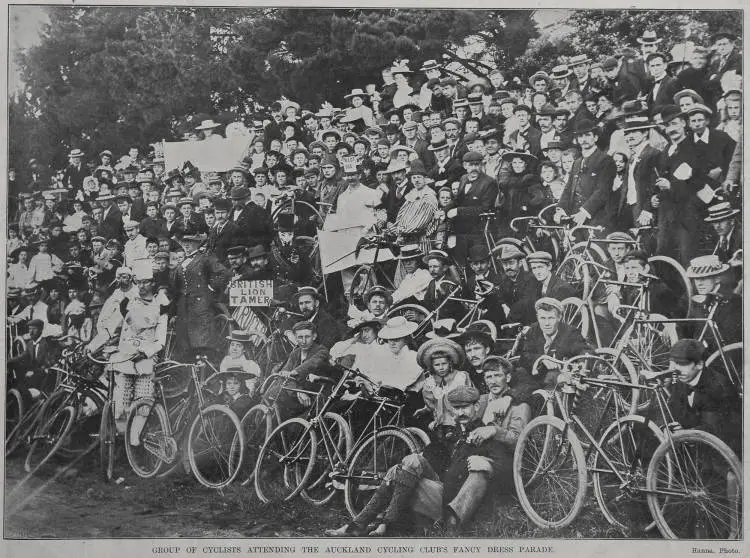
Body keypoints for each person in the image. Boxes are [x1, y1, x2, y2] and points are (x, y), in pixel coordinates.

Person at [325, 383, 528, 536]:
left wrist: (488, 465)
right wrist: (416, 461)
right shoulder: (452, 433)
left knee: (408, 466)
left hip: (461, 505)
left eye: (466, 407)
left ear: (477, 407)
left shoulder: (484, 433)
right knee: (406, 464)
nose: (461, 413)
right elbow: (433, 457)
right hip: (442, 493)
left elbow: (508, 471)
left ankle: (372, 525)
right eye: (456, 408)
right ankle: (364, 524)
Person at [87, 263, 167, 440]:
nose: (143, 286)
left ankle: (134, 442)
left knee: (143, 405)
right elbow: (108, 329)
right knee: (119, 406)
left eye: (147, 282)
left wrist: (146, 352)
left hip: (145, 361)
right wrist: (92, 346)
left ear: (153, 284)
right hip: (124, 359)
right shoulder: (127, 303)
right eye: (140, 282)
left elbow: (160, 341)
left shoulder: (161, 306)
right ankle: (123, 439)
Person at [172, 233, 231, 361]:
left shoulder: (205, 258)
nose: (186, 244)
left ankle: (204, 371)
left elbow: (223, 273)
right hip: (184, 306)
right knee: (185, 341)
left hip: (201, 305)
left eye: (190, 241)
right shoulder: (182, 261)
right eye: (184, 241)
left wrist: (210, 289)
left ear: (197, 243)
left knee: (202, 340)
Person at [516, 297, 592, 392]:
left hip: (557, 383)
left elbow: (584, 351)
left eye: (551, 318)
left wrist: (581, 365)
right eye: (542, 318)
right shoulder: (533, 330)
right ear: (537, 317)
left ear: (559, 317)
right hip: (535, 379)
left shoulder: (570, 333)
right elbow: (525, 355)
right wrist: (540, 359)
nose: (546, 323)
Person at [416, 337, 472, 428]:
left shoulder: (460, 377)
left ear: (450, 364)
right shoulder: (430, 382)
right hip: (441, 422)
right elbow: (430, 404)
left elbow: (470, 399)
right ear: (432, 366)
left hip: (461, 420)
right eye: (437, 365)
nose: (441, 368)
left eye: (444, 364)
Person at [219, 330, 262, 397]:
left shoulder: (251, 365)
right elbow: (222, 386)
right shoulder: (226, 361)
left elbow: (250, 391)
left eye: (238, 346)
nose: (234, 348)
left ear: (244, 349)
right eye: (232, 345)